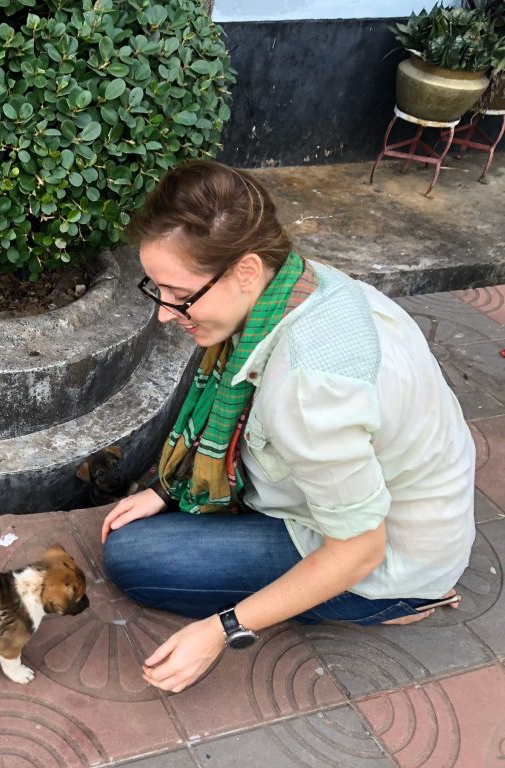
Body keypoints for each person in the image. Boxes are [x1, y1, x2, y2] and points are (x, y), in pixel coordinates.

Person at [100, 160, 475, 694]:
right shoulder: (302, 281)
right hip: (404, 502)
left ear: (245, 270)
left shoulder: (309, 393)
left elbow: (360, 549)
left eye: (178, 294)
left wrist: (221, 630)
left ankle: (392, 605)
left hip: (390, 556)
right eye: (155, 287)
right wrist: (169, 487)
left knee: (132, 559)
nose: (165, 313)